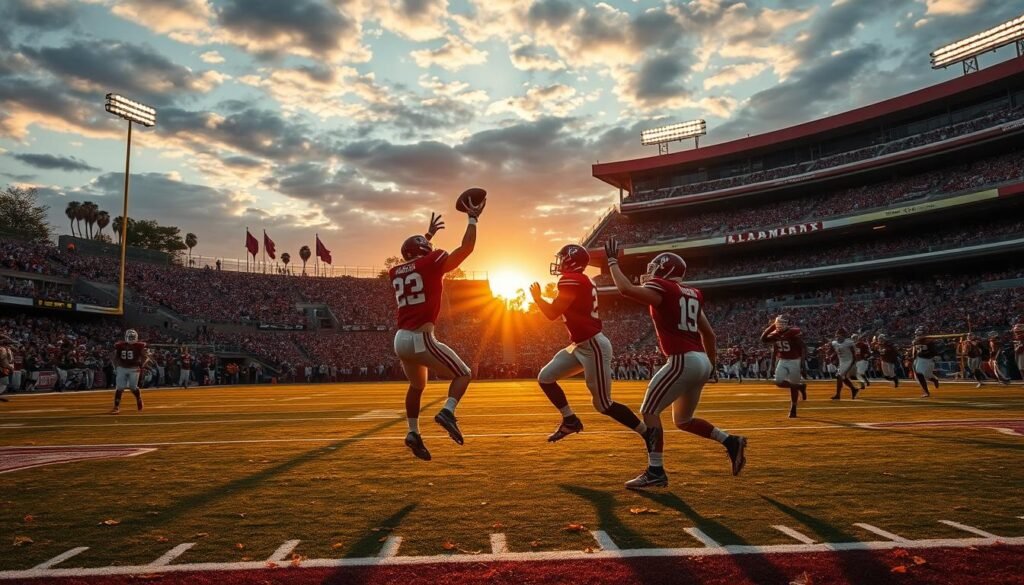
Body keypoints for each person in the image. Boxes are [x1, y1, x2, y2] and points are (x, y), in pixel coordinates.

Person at [605, 239, 746, 489]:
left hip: (682, 359)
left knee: (649, 411)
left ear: (664, 269)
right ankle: (730, 441)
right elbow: (710, 335)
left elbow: (625, 289)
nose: (651, 272)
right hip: (700, 360)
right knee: (683, 420)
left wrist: (613, 262)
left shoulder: (665, 288)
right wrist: (712, 366)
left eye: (655, 267)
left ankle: (655, 471)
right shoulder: (692, 294)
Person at [390, 200, 484, 461]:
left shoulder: (395, 270)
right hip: (420, 337)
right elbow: (466, 248)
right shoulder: (432, 261)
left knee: (417, 386)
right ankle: (448, 412)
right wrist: (472, 218)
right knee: (464, 374)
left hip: (400, 339)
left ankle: (413, 433)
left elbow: (412, 262)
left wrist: (427, 235)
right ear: (425, 250)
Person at [530, 243, 648, 448]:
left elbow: (552, 313)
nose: (559, 262)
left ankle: (647, 432)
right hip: (580, 345)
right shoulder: (580, 280)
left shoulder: (571, 280)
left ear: (571, 260)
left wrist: (538, 299)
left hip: (593, 345)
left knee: (603, 404)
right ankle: (570, 420)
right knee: (545, 377)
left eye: (563, 258)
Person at [761, 315, 808, 418]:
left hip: (794, 360)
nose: (780, 325)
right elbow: (763, 339)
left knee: (793, 385)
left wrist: (803, 364)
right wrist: (771, 327)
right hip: (782, 360)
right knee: (778, 382)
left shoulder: (792, 333)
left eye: (782, 323)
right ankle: (800, 386)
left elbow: (803, 347)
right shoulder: (775, 334)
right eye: (778, 323)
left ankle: (793, 408)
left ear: (787, 324)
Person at [111, 329, 147, 414]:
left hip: (134, 368)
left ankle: (138, 399)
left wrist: (142, 365)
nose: (131, 338)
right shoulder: (120, 345)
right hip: (122, 367)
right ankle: (116, 406)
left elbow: (145, 357)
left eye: (132, 337)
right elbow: (114, 357)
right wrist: (115, 367)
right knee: (119, 387)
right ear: (126, 337)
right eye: (130, 337)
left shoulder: (139, 346)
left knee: (133, 387)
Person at [828, 329, 859, 400]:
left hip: (849, 361)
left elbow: (854, 353)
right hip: (841, 361)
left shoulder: (849, 342)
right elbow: (832, 351)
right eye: (837, 335)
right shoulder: (834, 343)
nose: (838, 336)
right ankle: (854, 389)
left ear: (844, 336)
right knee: (843, 378)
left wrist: (853, 362)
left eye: (840, 335)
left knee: (839, 376)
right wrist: (830, 356)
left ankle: (838, 394)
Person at [911, 326, 941, 397]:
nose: (917, 336)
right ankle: (933, 380)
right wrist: (912, 356)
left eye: (919, 334)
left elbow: (934, 351)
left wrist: (935, 355)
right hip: (920, 359)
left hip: (928, 360)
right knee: (921, 376)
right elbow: (915, 350)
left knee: (920, 374)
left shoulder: (929, 341)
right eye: (917, 334)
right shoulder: (915, 341)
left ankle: (926, 391)